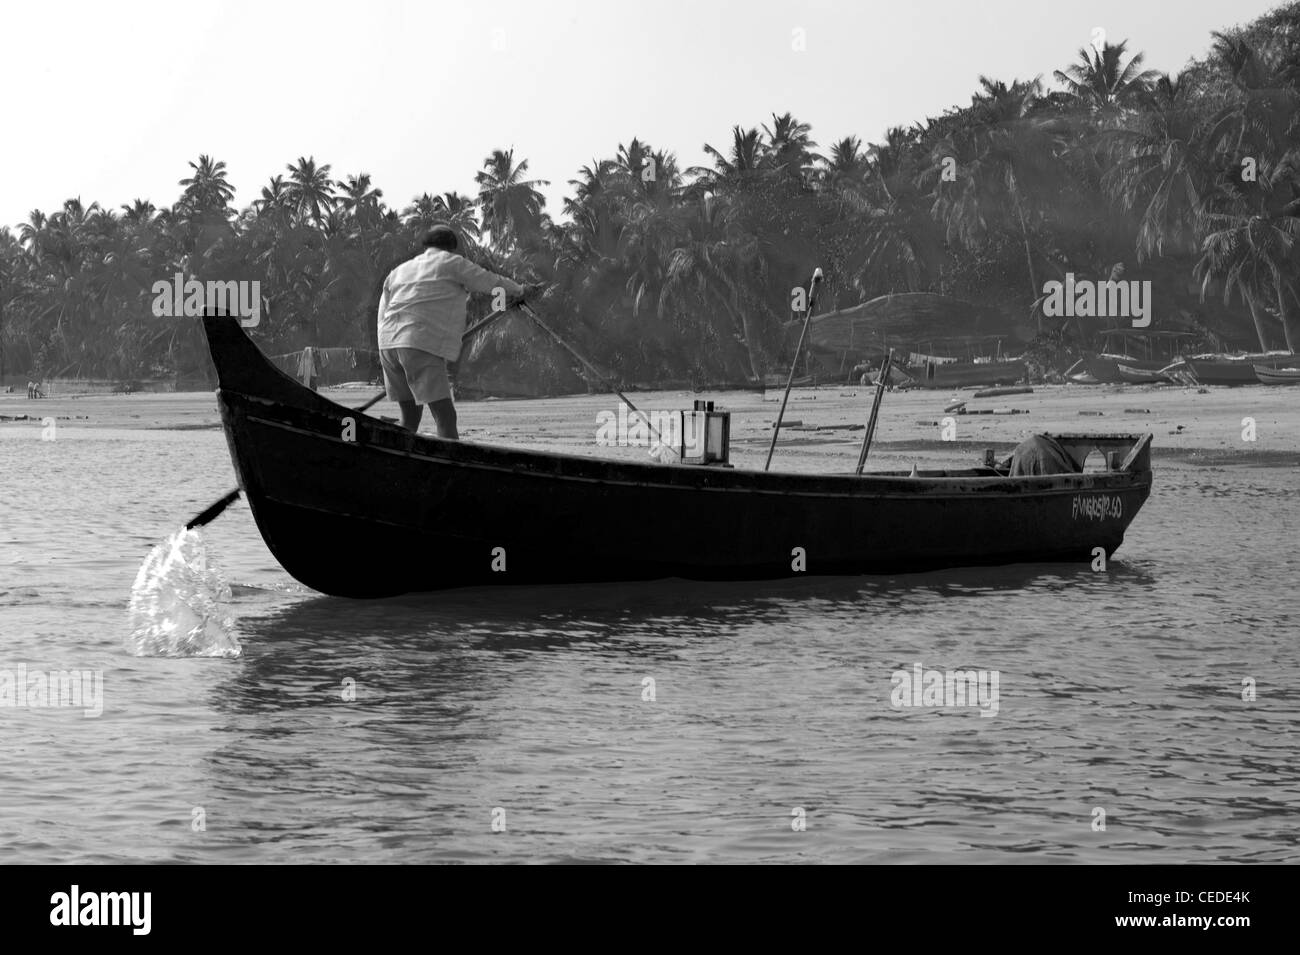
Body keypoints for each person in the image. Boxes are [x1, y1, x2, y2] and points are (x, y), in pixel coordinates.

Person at [377, 225, 527, 438]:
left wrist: (390, 349)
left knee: (409, 417)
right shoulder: (452, 263)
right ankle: (450, 464)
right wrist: (520, 290)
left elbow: (383, 311)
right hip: (418, 343)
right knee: (445, 416)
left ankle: (398, 454)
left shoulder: (400, 270)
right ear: (452, 248)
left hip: (387, 345)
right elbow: (490, 283)